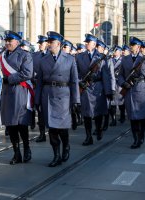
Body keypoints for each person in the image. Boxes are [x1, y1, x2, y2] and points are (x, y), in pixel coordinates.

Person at [35, 31, 80, 167]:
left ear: (59, 44)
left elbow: (74, 82)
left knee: (62, 128)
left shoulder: (70, 59)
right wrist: (37, 100)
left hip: (63, 96)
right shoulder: (44, 60)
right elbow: (39, 82)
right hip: (48, 95)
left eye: (51, 42)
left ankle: (66, 146)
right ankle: (56, 155)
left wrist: (76, 100)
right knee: (52, 129)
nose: (49, 45)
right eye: (48, 42)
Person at [118, 37, 145, 149]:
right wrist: (123, 83)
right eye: (131, 45)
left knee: (142, 117)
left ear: (139, 47)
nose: (132, 47)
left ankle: (141, 135)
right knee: (132, 117)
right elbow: (120, 75)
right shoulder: (125, 59)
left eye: (134, 45)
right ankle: (136, 139)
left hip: (142, 90)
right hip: (129, 91)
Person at [0, 30, 33, 165]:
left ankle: (26, 148)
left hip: (19, 91)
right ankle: (16, 153)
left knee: (21, 124)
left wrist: (10, 78)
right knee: (11, 125)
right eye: (6, 40)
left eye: (10, 40)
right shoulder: (1, 55)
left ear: (17, 42)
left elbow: (27, 73)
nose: (7, 43)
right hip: (7, 93)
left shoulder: (25, 55)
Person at [76, 34, 115, 146]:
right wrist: (80, 81)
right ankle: (88, 136)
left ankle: (98, 129)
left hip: (98, 87)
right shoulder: (79, 57)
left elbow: (106, 76)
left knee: (98, 112)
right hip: (86, 87)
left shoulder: (101, 57)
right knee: (86, 114)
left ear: (94, 44)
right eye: (86, 43)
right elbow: (76, 72)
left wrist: (109, 91)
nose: (86, 44)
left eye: (88, 43)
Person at [32, 35, 48, 142]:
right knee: (40, 111)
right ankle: (42, 134)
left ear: (47, 44)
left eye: (41, 43)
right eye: (39, 43)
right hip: (37, 87)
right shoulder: (35, 56)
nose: (40, 45)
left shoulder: (51, 55)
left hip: (48, 87)